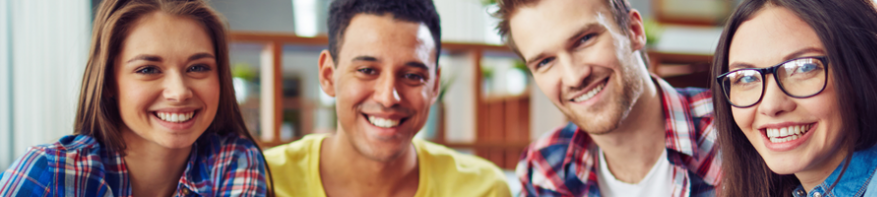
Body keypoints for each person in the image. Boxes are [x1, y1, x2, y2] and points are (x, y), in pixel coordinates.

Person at [711, 0, 877, 196]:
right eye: (745, 77)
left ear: (865, 71)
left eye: (804, 68)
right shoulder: (778, 186)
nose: (771, 105)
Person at [0, 0, 269, 196]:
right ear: (108, 82)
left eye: (198, 67)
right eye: (148, 70)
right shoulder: (50, 172)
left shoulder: (234, 160)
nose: (179, 92)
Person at [262, 0, 511, 196]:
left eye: (412, 75)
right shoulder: (264, 180)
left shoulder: (483, 190)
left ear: (435, 86)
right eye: (367, 71)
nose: (388, 97)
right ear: (328, 76)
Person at [494, 0, 720, 196]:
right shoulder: (542, 170)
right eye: (544, 62)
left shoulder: (732, 130)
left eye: (584, 39)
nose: (574, 77)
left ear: (634, 31)